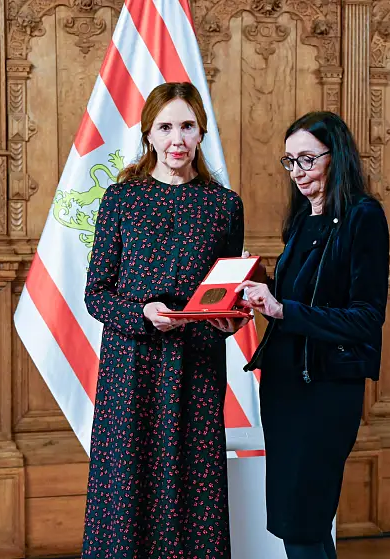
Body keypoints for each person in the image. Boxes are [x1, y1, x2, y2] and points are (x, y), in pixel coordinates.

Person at [81, 82, 249, 559]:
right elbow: (95, 294)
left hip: (195, 368)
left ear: (201, 132)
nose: (177, 138)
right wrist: (143, 314)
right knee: (126, 488)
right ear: (149, 134)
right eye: (166, 126)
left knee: (192, 486)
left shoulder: (224, 205)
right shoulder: (119, 199)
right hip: (130, 369)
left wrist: (229, 322)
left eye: (187, 126)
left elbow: (227, 296)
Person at [236, 111, 390, 559]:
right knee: (298, 523)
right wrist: (264, 283)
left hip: (325, 390)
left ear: (335, 155)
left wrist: (283, 307)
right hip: (284, 386)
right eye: (290, 162)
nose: (298, 173)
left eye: (307, 159)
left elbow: (365, 317)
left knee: (303, 521)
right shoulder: (302, 219)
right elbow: (296, 306)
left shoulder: (363, 217)